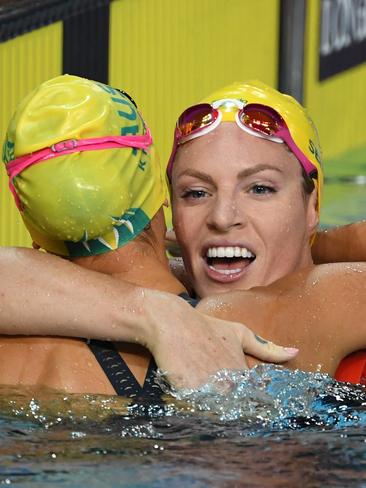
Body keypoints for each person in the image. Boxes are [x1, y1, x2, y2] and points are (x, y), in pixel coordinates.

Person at [1, 78, 366, 387]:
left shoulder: (29, 329)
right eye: (196, 194)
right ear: (162, 200)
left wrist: (315, 244)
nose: (222, 218)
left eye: (259, 189)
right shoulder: (315, 305)